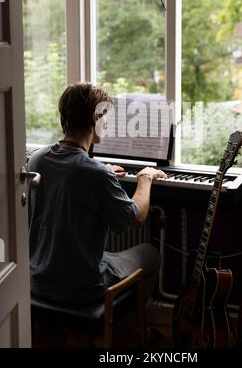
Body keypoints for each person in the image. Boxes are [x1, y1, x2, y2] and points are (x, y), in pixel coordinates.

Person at [28, 82, 166, 305]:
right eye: (106, 117)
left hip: (37, 279)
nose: (107, 124)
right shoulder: (95, 173)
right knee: (150, 253)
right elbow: (137, 217)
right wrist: (145, 179)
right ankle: (123, 327)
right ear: (95, 117)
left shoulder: (37, 158)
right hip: (82, 288)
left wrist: (104, 170)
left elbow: (71, 170)